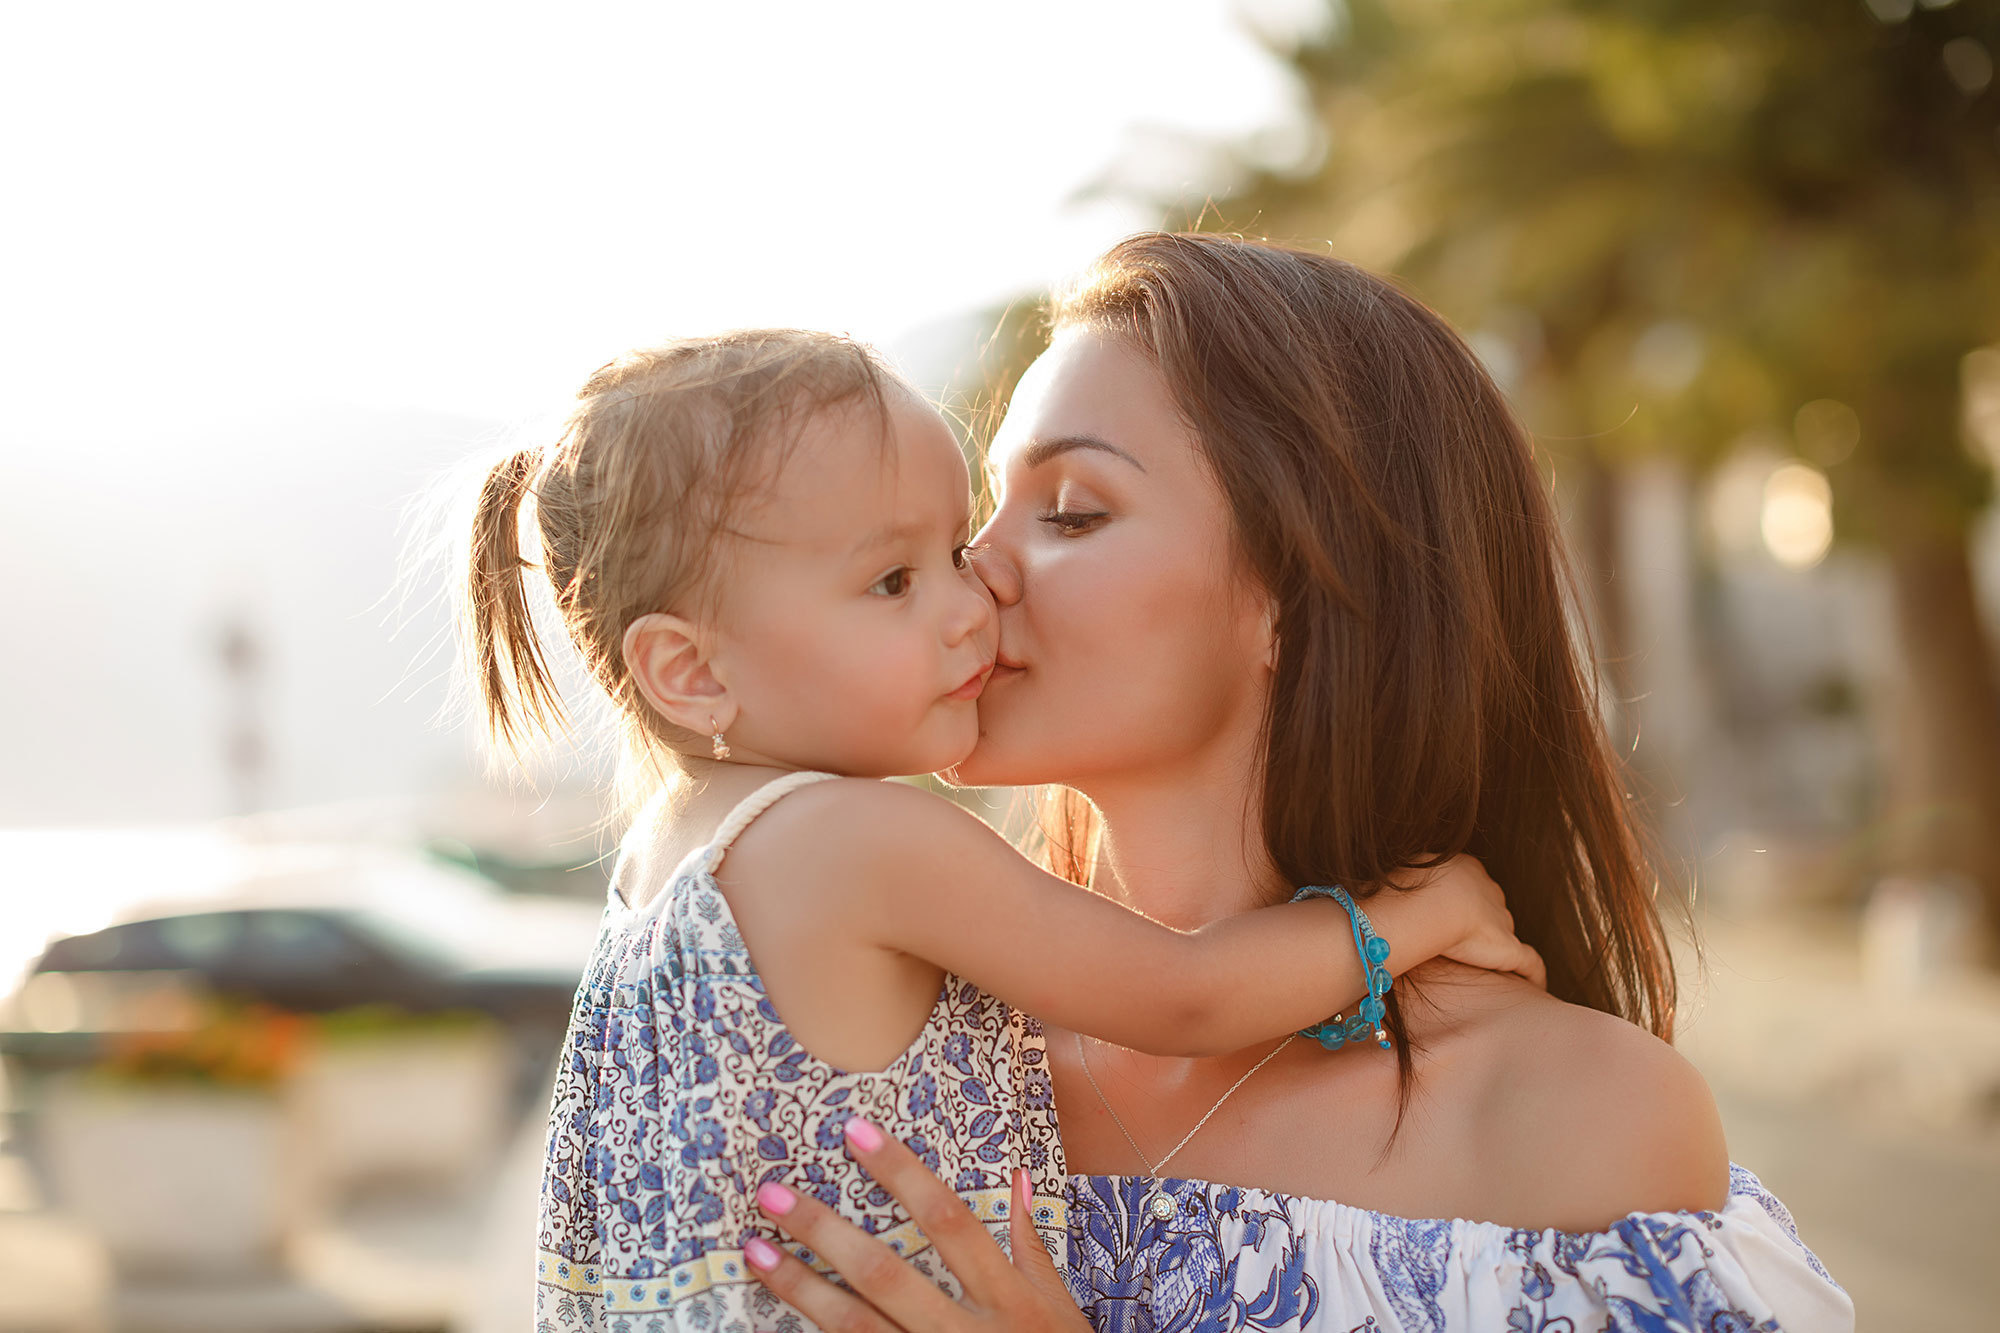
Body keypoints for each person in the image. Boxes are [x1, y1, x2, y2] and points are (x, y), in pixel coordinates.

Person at [741, 235, 1855, 1331]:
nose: (972, 569)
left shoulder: (1570, 1121)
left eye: (1071, 510)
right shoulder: (883, 1044)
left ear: (1299, 588)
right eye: (979, 511)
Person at [456, 329, 1540, 1331]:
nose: (972, 600)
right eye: (893, 580)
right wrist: (1415, 912)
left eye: (950, 546)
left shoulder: (663, 869)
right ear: (690, 671)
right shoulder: (857, 838)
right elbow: (1183, 993)